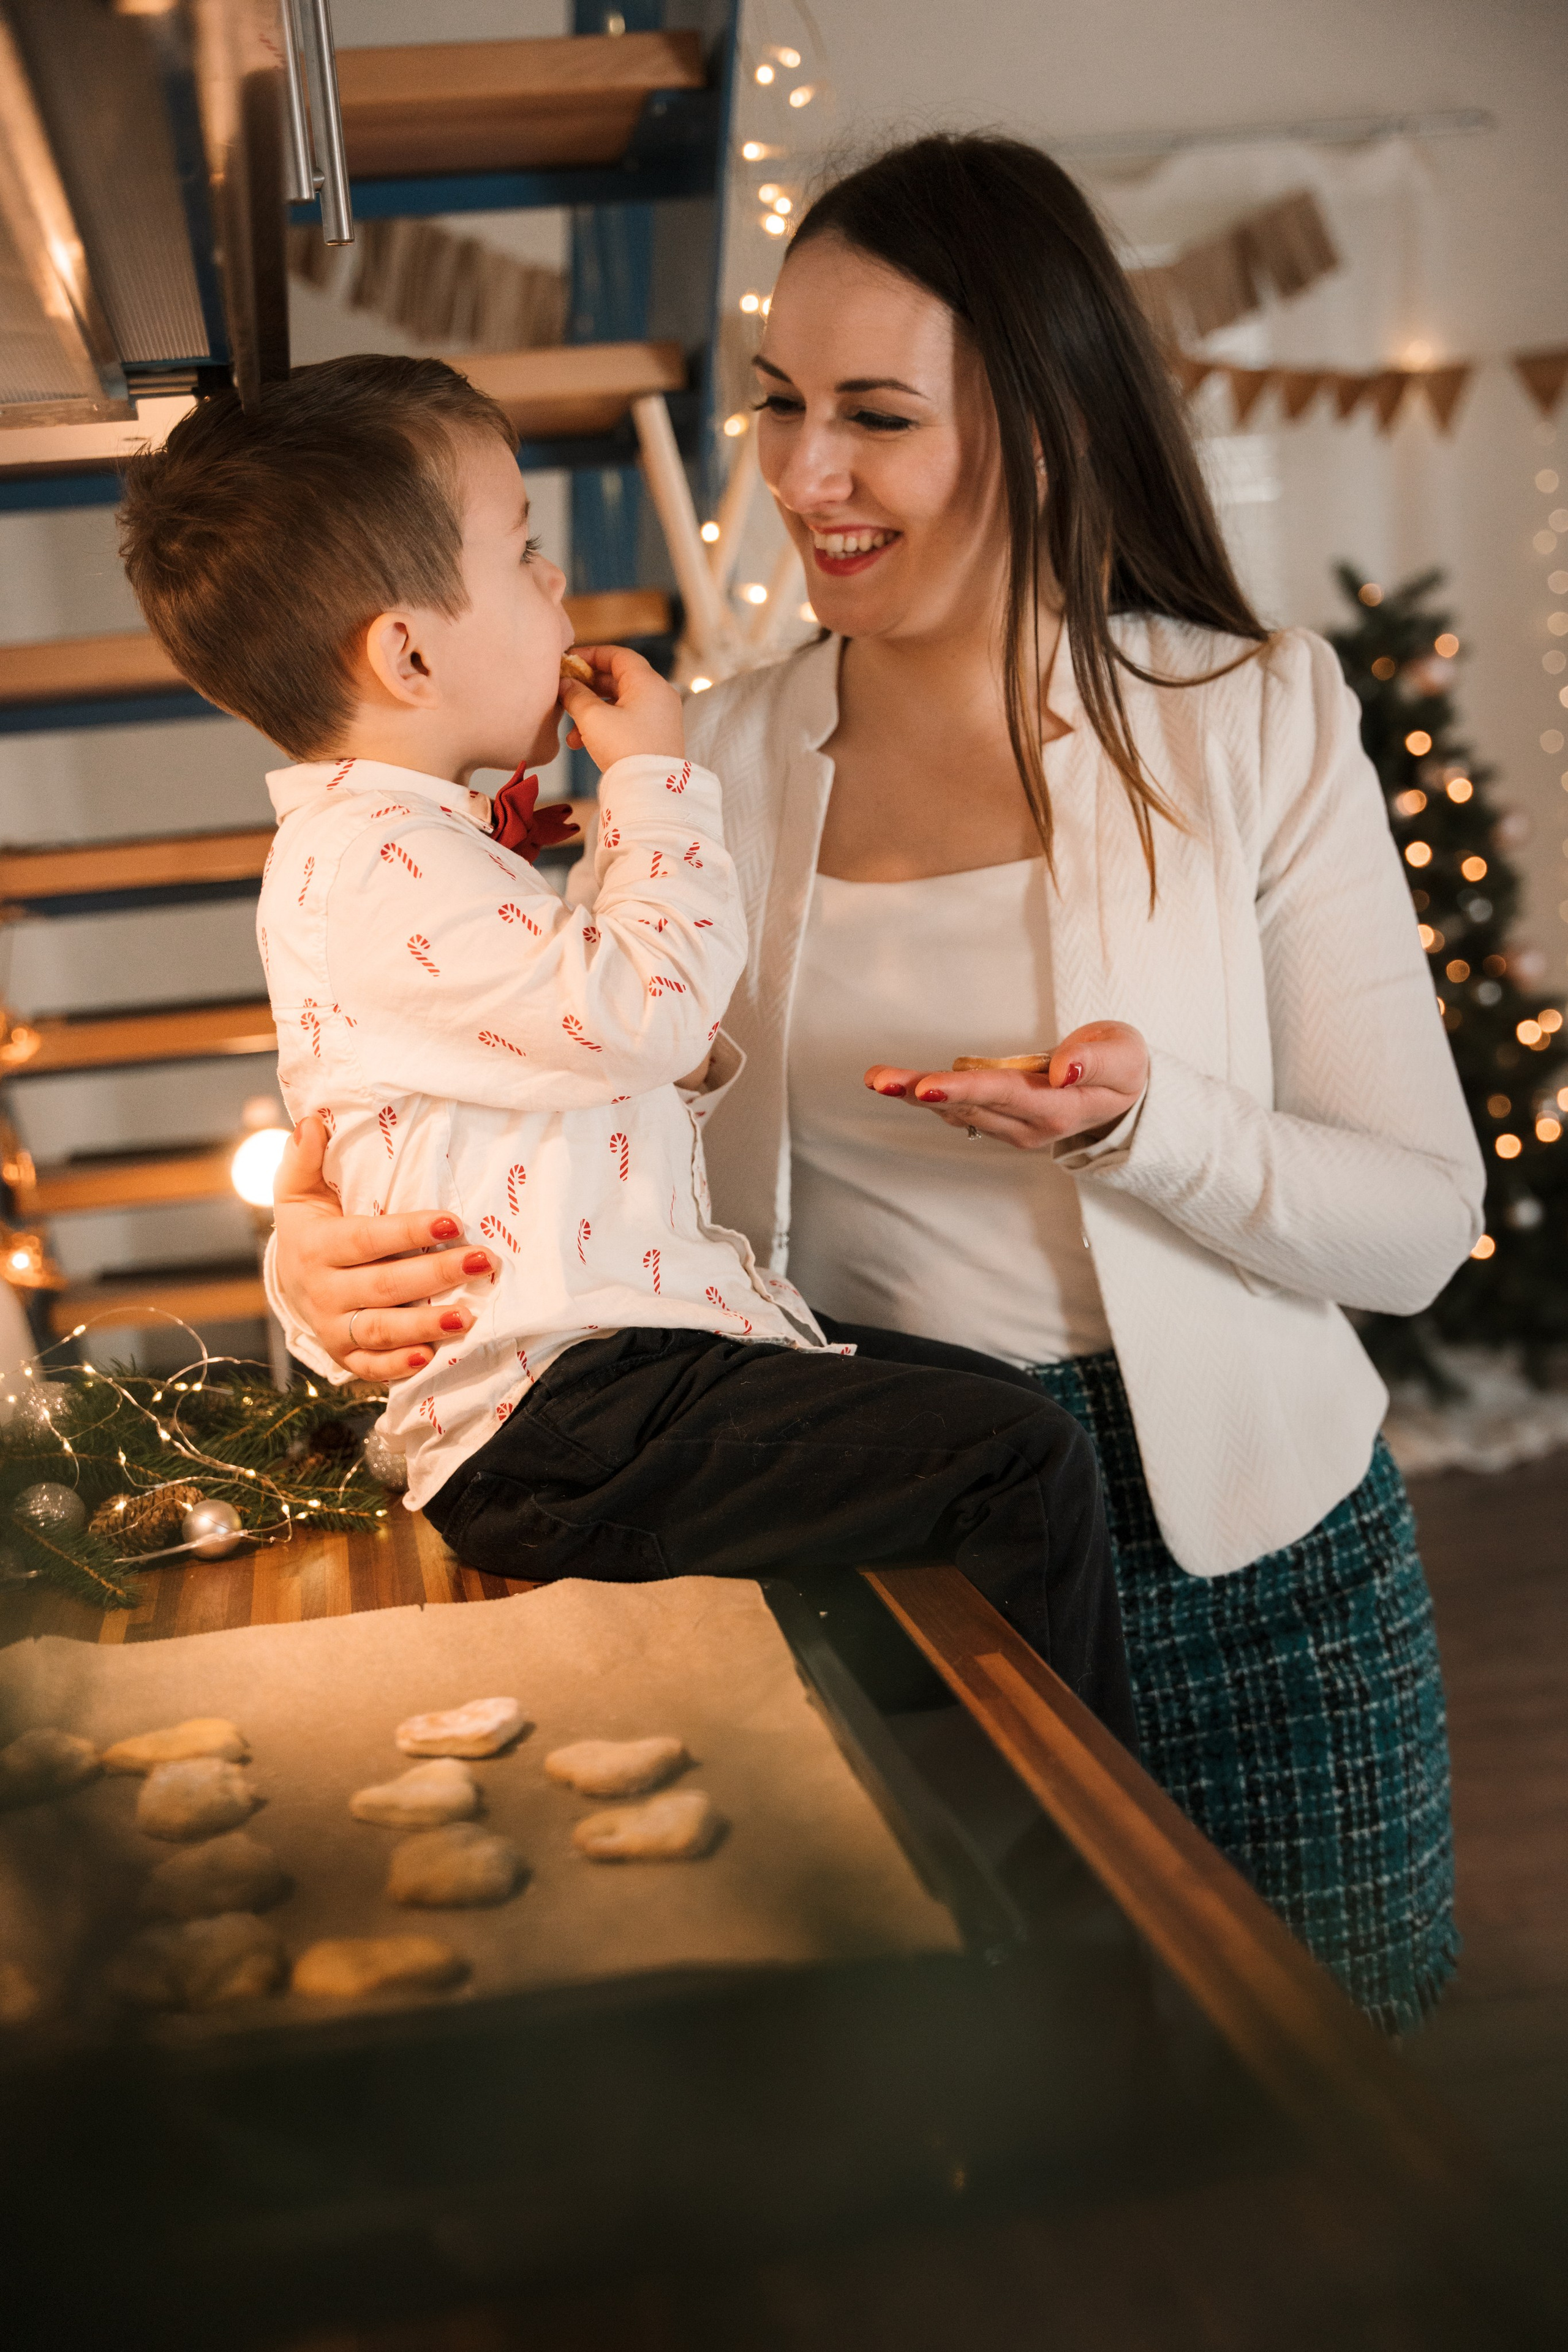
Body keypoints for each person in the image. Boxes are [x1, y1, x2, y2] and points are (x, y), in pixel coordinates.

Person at [264, 138, 1483, 2034]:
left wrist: (1154, 1128)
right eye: (778, 406)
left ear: (1050, 429)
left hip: (1266, 1584)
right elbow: (475, 1060)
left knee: (1337, 2161)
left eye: (876, 417)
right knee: (1002, 2168)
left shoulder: (1256, 717)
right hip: (886, 1545)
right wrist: (308, 1252)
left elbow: (1419, 1227)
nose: (804, 476)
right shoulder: (692, 765)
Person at [115, 353, 1135, 1743]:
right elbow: (648, 1013)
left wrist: (591, 860)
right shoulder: (378, 863)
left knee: (986, 1412)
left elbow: (600, 1041)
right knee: (1014, 1461)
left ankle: (910, 1768)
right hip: (568, 1408)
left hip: (610, 1373)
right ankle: (1047, 1868)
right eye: (523, 552)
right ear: (409, 653)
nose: (555, 584)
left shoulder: (401, 846)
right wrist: (654, 785)